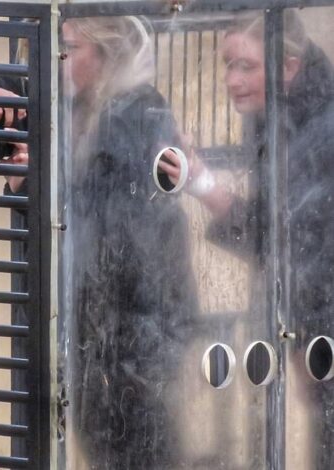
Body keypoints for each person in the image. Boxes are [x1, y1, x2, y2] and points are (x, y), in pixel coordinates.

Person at [0, 16, 199, 469]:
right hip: (81, 325)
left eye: (69, 48)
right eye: (53, 47)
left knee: (145, 451)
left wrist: (36, 188)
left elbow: (112, 225)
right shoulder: (47, 99)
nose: (55, 58)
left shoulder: (141, 109)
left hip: (140, 327)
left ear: (105, 57)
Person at [160, 11, 334, 468]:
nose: (230, 80)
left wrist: (203, 185)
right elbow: (275, 236)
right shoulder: (276, 111)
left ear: (288, 66)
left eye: (245, 66)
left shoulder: (322, 130)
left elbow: (289, 244)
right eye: (227, 64)